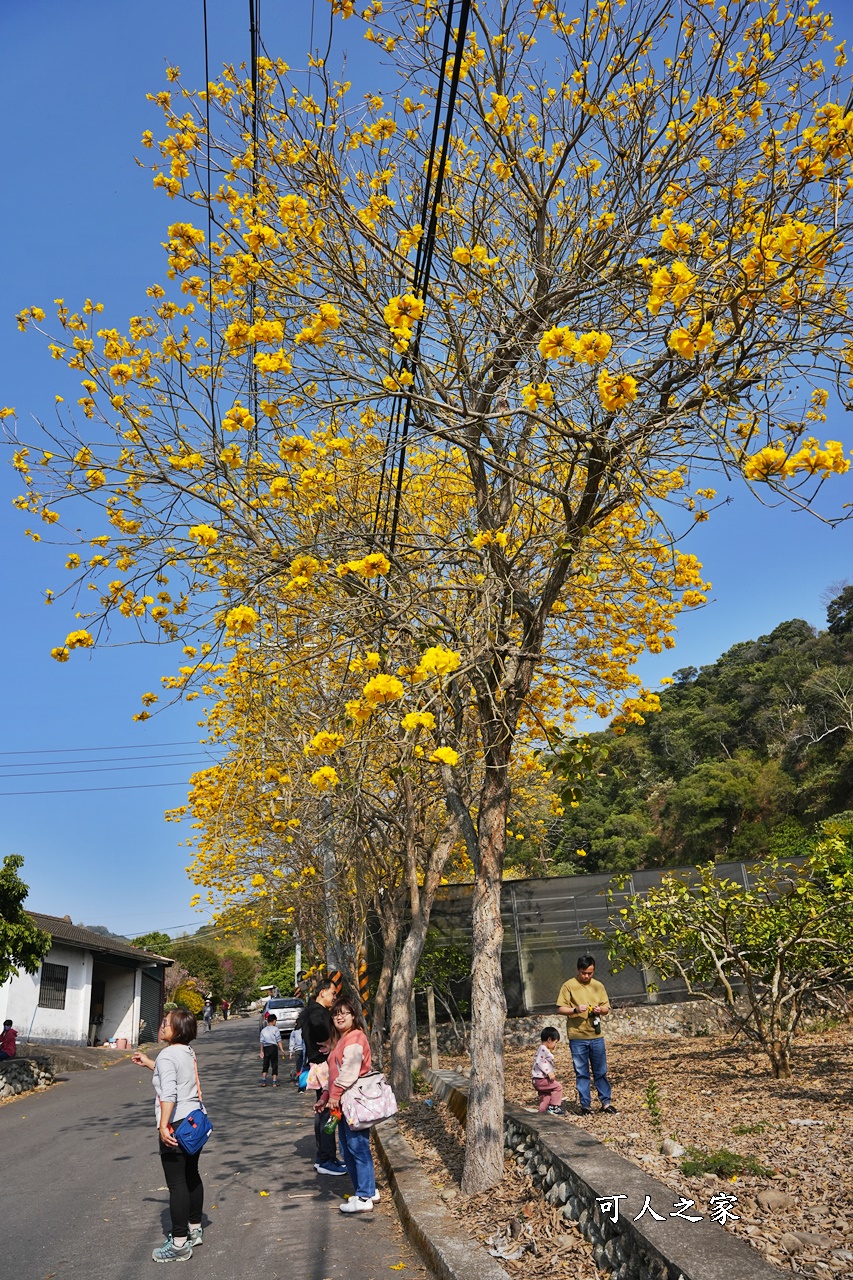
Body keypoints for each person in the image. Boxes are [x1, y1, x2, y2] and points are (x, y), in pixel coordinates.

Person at [132, 1010, 206, 1262]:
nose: (162, 1025)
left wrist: (163, 1126)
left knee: (176, 1185)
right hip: (193, 1122)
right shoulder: (187, 1052)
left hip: (175, 1123)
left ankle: (178, 1244)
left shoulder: (167, 1055)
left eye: (166, 1023)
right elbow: (177, 1076)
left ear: (177, 1029)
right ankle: (195, 1230)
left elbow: (169, 1094)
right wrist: (149, 1063)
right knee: (191, 1174)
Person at [315, 995, 378, 1213]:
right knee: (348, 1147)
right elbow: (334, 1074)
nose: (339, 1016)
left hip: (352, 1102)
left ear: (353, 1016)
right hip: (341, 1105)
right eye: (336, 1013)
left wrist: (334, 1093)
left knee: (357, 1147)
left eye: (344, 1012)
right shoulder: (341, 1040)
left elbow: (350, 1071)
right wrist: (326, 1096)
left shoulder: (355, 1038)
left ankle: (365, 1196)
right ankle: (366, 1190)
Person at [556, 954, 617, 1116]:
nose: (587, 976)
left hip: (596, 1036)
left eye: (590, 973)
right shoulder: (568, 986)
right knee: (581, 1072)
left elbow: (606, 1009)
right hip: (577, 1037)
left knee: (600, 1071)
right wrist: (575, 1010)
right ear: (578, 970)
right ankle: (585, 1106)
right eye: (584, 973)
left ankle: (606, 1103)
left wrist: (599, 1010)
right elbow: (561, 1008)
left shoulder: (598, 986)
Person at [302, 978, 346, 1176]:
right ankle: (327, 1159)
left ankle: (324, 1156)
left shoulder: (311, 1009)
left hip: (318, 1066)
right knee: (329, 1112)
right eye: (332, 994)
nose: (334, 997)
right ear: (322, 993)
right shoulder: (317, 1011)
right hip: (323, 1066)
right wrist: (330, 1041)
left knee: (324, 1112)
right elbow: (319, 1027)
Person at [532, 1026, 563, 1115]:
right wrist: (548, 1072)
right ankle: (554, 1107)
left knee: (546, 1097)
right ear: (549, 1039)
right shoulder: (543, 1049)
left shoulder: (543, 1049)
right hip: (540, 1079)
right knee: (558, 1087)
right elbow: (539, 1061)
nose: (555, 1045)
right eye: (555, 1042)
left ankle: (542, 1114)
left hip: (537, 1080)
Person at [259, 1013, 281, 1087]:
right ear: (274, 1021)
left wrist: (261, 1051)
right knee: (274, 1064)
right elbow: (278, 1040)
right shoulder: (276, 1029)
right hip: (273, 1047)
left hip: (266, 1048)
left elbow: (261, 1041)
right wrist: (282, 1049)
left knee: (265, 1064)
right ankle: (274, 1082)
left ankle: (263, 1081)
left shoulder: (263, 1030)